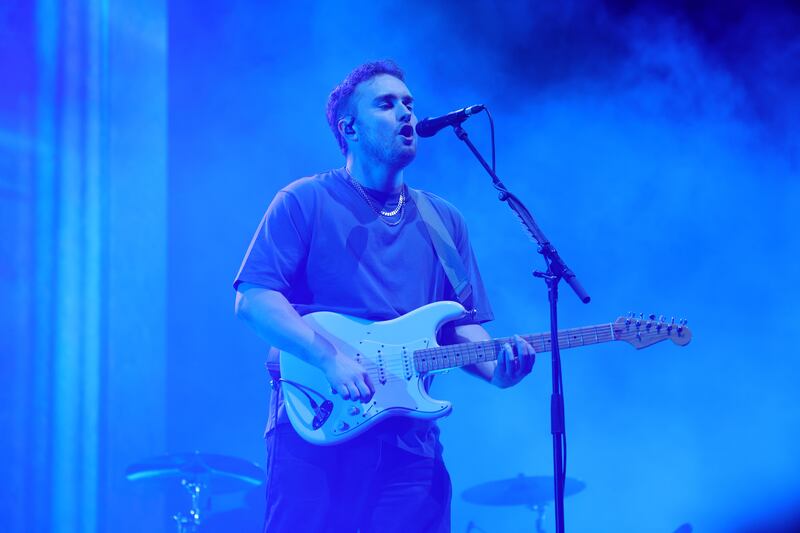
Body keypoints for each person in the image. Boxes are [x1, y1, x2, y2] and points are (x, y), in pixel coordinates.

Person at [234, 60, 535, 533]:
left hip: (409, 446)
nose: (406, 114)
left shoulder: (443, 220)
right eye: (387, 103)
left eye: (409, 104)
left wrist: (497, 370)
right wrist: (329, 357)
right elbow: (253, 299)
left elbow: (458, 324)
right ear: (349, 127)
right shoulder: (303, 200)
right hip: (315, 430)